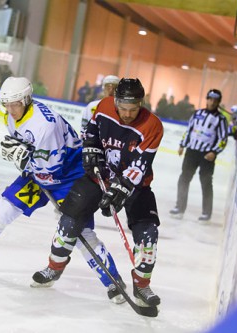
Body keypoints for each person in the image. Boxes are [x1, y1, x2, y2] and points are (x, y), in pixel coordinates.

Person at [0, 77, 127, 303]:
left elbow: (51, 168)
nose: (10, 109)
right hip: (40, 172)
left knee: (79, 234)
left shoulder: (44, 126)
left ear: (27, 99)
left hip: (70, 177)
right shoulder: (12, 116)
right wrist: (18, 153)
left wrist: (23, 161)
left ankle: (114, 281)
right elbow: (28, 152)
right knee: (6, 206)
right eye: (6, 104)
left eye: (15, 104)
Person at [32, 78, 164, 307]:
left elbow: (140, 165)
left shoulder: (152, 125)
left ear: (141, 104)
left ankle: (142, 286)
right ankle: (54, 267)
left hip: (135, 185)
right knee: (69, 221)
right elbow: (91, 130)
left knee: (148, 234)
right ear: (115, 101)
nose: (127, 114)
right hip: (99, 176)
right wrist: (91, 150)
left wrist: (120, 189)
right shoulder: (103, 106)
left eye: (133, 109)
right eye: (123, 108)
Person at [169, 89, 229, 221]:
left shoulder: (221, 119)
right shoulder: (197, 114)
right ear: (206, 99)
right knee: (184, 179)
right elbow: (189, 130)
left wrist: (214, 152)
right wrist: (182, 145)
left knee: (206, 182)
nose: (212, 102)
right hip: (191, 152)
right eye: (210, 99)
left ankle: (206, 213)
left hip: (207, 155)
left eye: (215, 100)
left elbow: (223, 139)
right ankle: (179, 207)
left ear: (218, 102)